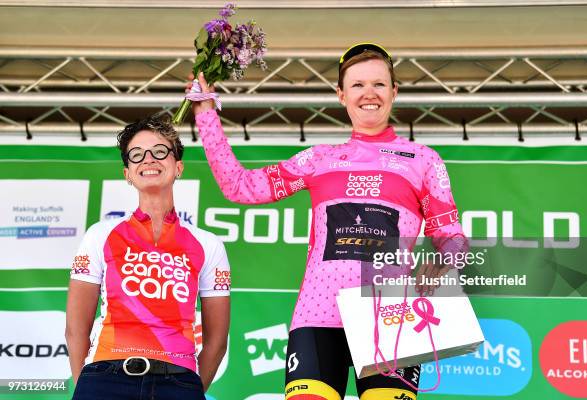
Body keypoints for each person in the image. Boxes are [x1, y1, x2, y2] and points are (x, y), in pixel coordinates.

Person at [190, 43, 467, 400]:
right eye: (357, 85)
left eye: (379, 84)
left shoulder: (423, 160)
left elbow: (452, 236)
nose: (369, 94)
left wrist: (443, 259)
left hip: (390, 314)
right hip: (318, 314)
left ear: (394, 91)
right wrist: (205, 113)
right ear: (341, 95)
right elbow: (240, 187)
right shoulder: (318, 159)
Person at [65, 114, 230, 400]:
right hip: (105, 377)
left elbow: (216, 341)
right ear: (127, 173)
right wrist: (88, 386)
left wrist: (189, 390)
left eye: (160, 152)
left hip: (178, 381)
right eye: (137, 155)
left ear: (178, 167)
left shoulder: (209, 244)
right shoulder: (100, 234)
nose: (149, 160)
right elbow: (75, 329)